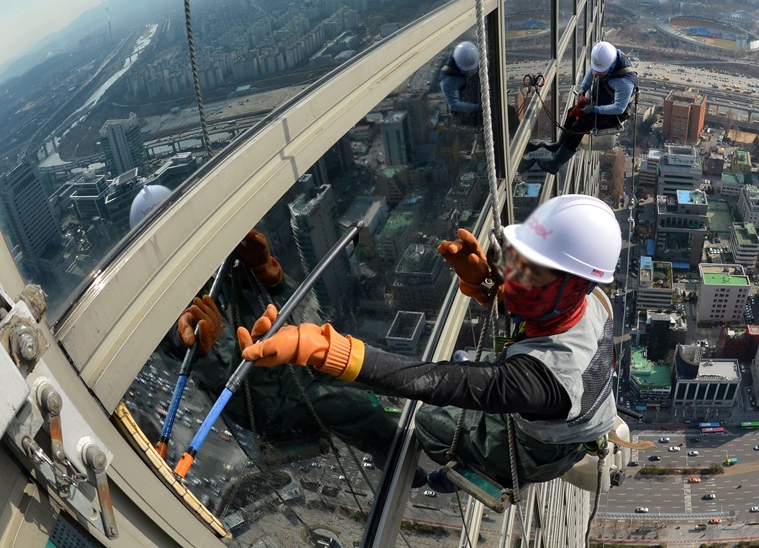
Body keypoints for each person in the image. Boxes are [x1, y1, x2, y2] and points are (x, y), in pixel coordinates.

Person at [234, 194, 622, 491]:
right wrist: (487, 285)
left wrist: (324, 350)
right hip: (569, 415)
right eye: (516, 259)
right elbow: (539, 310)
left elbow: (435, 381)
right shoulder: (591, 305)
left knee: (431, 421)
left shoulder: (540, 382)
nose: (512, 277)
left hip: (536, 451)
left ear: (576, 286)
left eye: (532, 273)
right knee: (466, 361)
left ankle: (442, 480)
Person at [167, 229, 399, 461]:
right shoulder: (166, 315)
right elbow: (181, 349)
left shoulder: (219, 270)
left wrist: (265, 270)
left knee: (370, 365)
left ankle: (413, 402)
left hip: (288, 360)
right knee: (358, 410)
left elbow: (271, 296)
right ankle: (401, 459)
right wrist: (197, 347)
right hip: (265, 397)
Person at [519, 41, 636, 175]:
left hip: (614, 114)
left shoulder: (624, 82)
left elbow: (618, 108)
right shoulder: (608, 57)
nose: (597, 75)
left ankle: (555, 163)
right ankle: (559, 145)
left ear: (610, 67)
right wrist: (583, 88)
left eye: (601, 73)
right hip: (602, 101)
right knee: (571, 113)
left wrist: (594, 109)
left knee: (579, 126)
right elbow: (592, 71)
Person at [440, 41, 482, 123]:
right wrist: (479, 107)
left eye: (473, 70)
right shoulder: (449, 80)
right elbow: (454, 105)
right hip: (469, 114)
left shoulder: (475, 58)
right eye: (468, 71)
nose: (471, 73)